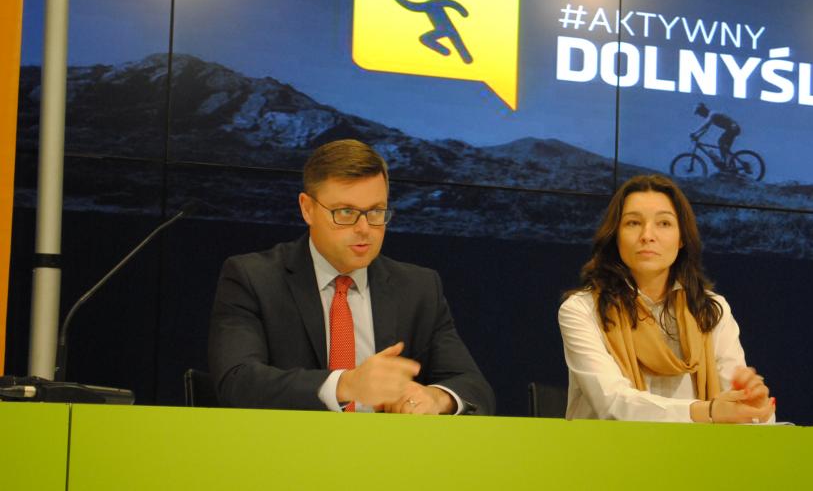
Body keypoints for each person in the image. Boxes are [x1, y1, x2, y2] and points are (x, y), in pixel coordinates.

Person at [208, 139, 494, 414]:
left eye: (376, 212)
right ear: (307, 208)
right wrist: (345, 385)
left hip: (388, 446)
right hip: (288, 445)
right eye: (345, 212)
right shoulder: (254, 279)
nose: (364, 228)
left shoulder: (419, 289)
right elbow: (237, 382)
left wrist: (436, 398)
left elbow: (472, 386)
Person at [558, 174, 774, 423]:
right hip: (609, 447)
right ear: (615, 236)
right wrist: (708, 411)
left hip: (698, 448)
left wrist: (752, 406)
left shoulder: (711, 309)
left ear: (682, 238)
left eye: (664, 223)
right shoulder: (582, 310)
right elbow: (613, 403)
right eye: (633, 223)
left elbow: (737, 409)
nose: (647, 235)